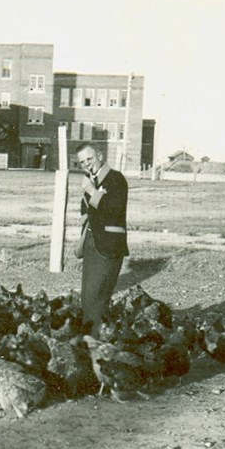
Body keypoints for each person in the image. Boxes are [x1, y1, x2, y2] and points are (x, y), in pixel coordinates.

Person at [75, 142, 128, 336]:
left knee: (97, 296)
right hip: (92, 244)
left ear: (99, 155)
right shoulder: (92, 181)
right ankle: (92, 340)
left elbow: (115, 210)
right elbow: (87, 209)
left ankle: (95, 342)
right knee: (88, 298)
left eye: (89, 159)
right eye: (82, 162)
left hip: (109, 246)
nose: (87, 164)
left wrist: (90, 190)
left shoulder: (116, 179)